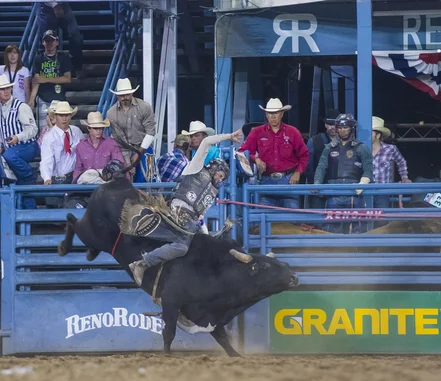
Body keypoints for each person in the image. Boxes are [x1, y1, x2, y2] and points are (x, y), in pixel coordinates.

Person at [128, 128, 244, 286]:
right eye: (220, 175)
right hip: (177, 210)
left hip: (191, 221)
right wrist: (229, 136)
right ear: (214, 169)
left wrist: (206, 235)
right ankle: (142, 263)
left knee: (201, 246)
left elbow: (201, 217)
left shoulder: (212, 192)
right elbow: (206, 142)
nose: (220, 179)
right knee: (182, 247)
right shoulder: (195, 168)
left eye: (222, 178)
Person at [238, 98, 309, 209]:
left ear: (281, 114)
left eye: (275, 113)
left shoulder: (292, 132)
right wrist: (255, 158)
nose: (273, 117)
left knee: (292, 217)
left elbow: (304, 154)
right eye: (270, 113)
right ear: (266, 114)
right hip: (266, 180)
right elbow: (241, 152)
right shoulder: (257, 132)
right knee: (263, 216)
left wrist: (298, 172)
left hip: (289, 180)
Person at [313, 113, 372, 233]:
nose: (342, 131)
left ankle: (358, 251)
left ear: (352, 128)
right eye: (340, 128)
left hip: (354, 191)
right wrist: (317, 183)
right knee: (331, 229)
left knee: (357, 228)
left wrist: (364, 181)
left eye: (345, 127)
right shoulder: (329, 147)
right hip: (334, 191)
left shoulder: (361, 148)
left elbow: (368, 168)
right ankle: (333, 251)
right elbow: (321, 167)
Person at [0, 76, 40, 209]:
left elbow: (33, 129)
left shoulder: (21, 106)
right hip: (10, 150)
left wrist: (18, 137)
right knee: (21, 183)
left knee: (10, 156)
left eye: (7, 88)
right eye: (2, 89)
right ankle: (29, 214)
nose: (6, 91)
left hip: (28, 145)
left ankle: (29, 174)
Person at [106, 78, 157, 182]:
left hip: (144, 146)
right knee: (123, 179)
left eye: (127, 94)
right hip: (124, 148)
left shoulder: (144, 107)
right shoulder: (111, 113)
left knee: (150, 178)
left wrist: (138, 153)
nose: (125, 97)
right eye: (122, 95)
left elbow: (150, 132)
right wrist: (128, 163)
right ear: (117, 96)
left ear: (132, 93)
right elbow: (120, 139)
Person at [28, 30, 73, 134]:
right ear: (43, 42)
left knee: (61, 130)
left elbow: (67, 78)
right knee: (43, 130)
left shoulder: (63, 57)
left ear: (56, 42)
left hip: (59, 100)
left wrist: (46, 79)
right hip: (43, 99)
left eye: (51, 41)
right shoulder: (38, 58)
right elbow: (36, 80)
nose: (49, 43)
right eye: (47, 41)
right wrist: (31, 99)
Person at [73, 111, 124, 184]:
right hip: (89, 181)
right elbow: (78, 168)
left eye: (100, 128)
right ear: (88, 128)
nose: (98, 131)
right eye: (95, 128)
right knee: (87, 175)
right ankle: (101, 183)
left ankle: (101, 182)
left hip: (106, 178)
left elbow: (119, 163)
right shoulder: (81, 146)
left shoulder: (111, 143)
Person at [40, 101, 84, 185]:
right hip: (56, 179)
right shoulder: (49, 137)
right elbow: (46, 160)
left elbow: (84, 151)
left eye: (67, 115)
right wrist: (47, 178)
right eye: (61, 115)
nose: (64, 119)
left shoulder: (76, 131)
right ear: (55, 116)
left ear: (70, 116)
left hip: (73, 176)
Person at [372, 116, 411, 210]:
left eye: (370, 132)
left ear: (378, 135)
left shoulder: (390, 149)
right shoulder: (361, 149)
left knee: (382, 220)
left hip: (383, 191)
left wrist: (404, 177)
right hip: (363, 191)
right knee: (364, 218)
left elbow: (401, 161)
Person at [306, 109, 340, 208]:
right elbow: (309, 166)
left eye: (336, 124)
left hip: (339, 187)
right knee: (318, 220)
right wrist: (315, 185)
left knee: (338, 220)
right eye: (330, 124)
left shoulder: (346, 142)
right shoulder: (315, 141)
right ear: (325, 125)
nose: (333, 127)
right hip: (319, 187)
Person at [37, 2, 84, 75]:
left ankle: (77, 66)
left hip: (63, 5)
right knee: (47, 40)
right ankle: (45, 70)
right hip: (47, 8)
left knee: (75, 36)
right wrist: (54, 5)